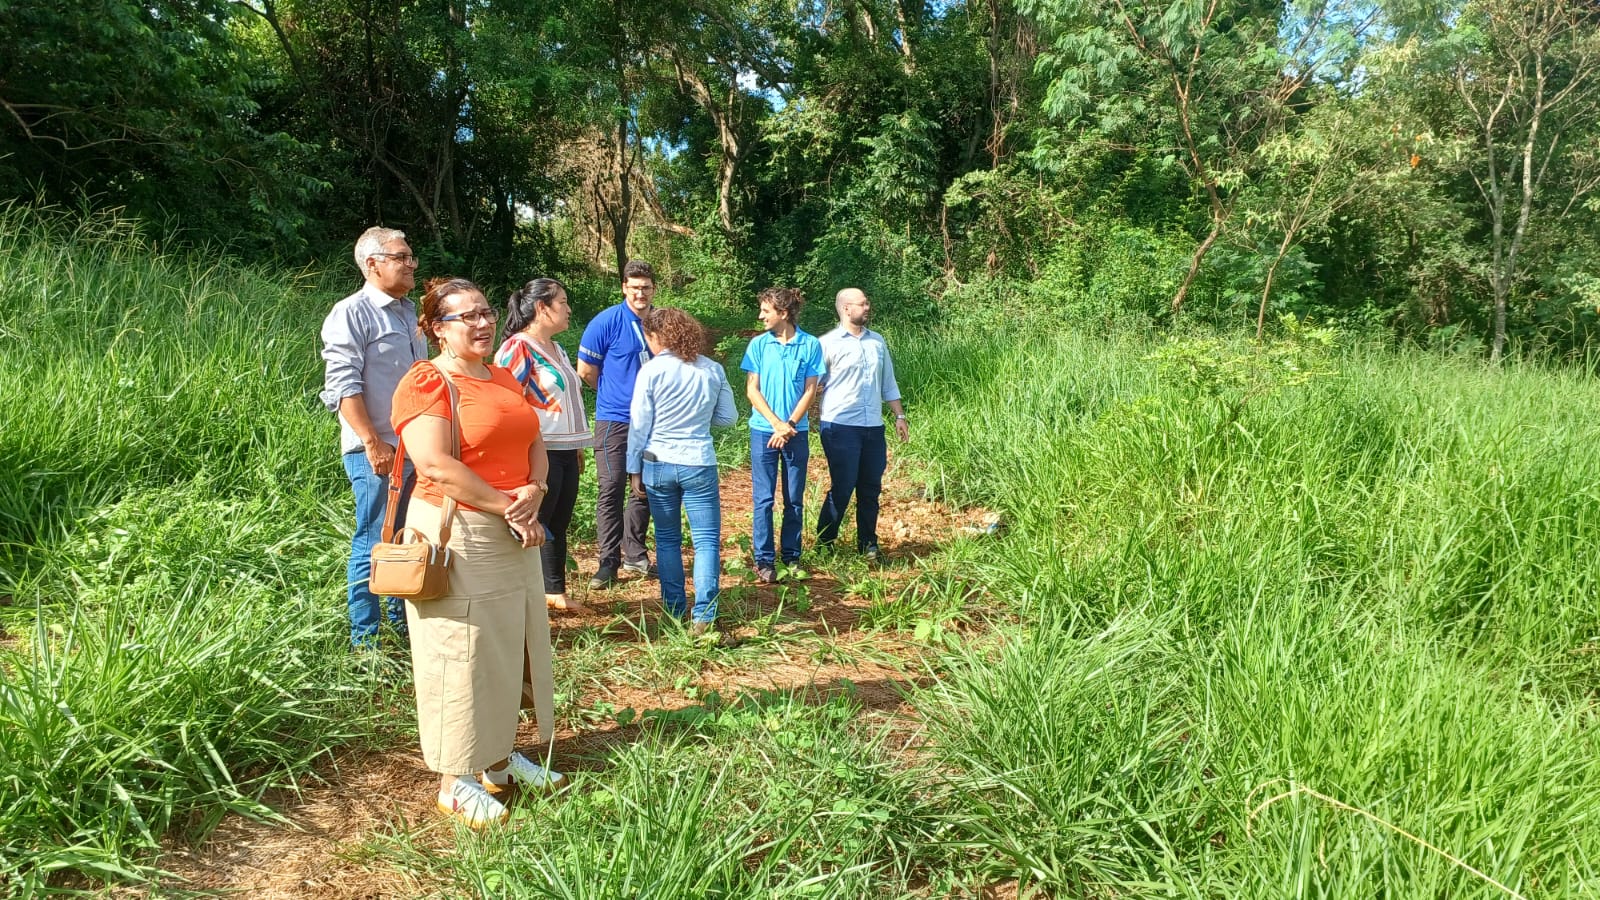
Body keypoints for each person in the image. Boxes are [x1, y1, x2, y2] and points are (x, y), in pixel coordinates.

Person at [391, 277, 564, 829]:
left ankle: (498, 757)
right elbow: (436, 463)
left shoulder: (503, 375)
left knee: (510, 647)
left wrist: (532, 493)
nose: (482, 323)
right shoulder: (427, 381)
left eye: (486, 312)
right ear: (436, 328)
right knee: (460, 652)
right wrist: (507, 507)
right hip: (457, 530)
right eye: (465, 317)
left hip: (514, 527)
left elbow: (534, 440)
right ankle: (455, 780)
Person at [319, 226, 426, 648]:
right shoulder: (351, 312)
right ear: (373, 264)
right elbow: (342, 386)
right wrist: (371, 441)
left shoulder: (407, 312)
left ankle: (404, 626)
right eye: (401, 257)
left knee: (406, 537)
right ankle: (366, 641)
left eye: (411, 256)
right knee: (373, 538)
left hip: (415, 445)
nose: (411, 264)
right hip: (378, 450)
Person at [626, 307, 737, 638]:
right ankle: (704, 615)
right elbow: (728, 418)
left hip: (658, 461)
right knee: (705, 542)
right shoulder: (712, 370)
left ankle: (674, 610)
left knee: (668, 539)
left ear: (659, 336)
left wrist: (634, 468)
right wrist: (701, 421)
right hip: (698, 460)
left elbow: (639, 424)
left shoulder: (652, 371)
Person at [497, 278, 594, 612]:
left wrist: (578, 445)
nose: (568, 309)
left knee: (557, 523)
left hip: (567, 449)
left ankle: (554, 592)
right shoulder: (518, 348)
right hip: (539, 451)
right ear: (542, 307)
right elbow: (506, 402)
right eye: (563, 302)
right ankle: (521, 596)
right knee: (535, 522)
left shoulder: (558, 349)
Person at [577, 260, 658, 590]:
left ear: (654, 290)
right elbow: (586, 371)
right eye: (634, 287)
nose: (640, 293)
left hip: (654, 423)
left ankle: (635, 553)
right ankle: (607, 562)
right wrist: (614, 395)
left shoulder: (659, 322)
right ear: (624, 287)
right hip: (615, 421)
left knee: (645, 489)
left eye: (646, 287)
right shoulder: (606, 322)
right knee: (610, 489)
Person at [816, 288, 909, 560]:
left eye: (868, 302)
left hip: (873, 427)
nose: (867, 307)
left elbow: (888, 382)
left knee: (870, 488)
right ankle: (825, 543)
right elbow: (812, 385)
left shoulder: (877, 342)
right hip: (840, 425)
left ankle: (868, 543)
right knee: (843, 487)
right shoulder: (827, 344)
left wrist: (899, 416)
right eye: (862, 303)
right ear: (846, 308)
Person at [741, 287, 825, 584]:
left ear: (783, 313)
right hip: (763, 431)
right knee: (763, 499)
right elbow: (752, 390)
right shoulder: (758, 346)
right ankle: (764, 560)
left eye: (766, 311)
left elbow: (810, 390)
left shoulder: (811, 345)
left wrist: (788, 424)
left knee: (794, 499)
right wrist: (776, 423)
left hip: (796, 433)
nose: (760, 316)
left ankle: (791, 557)